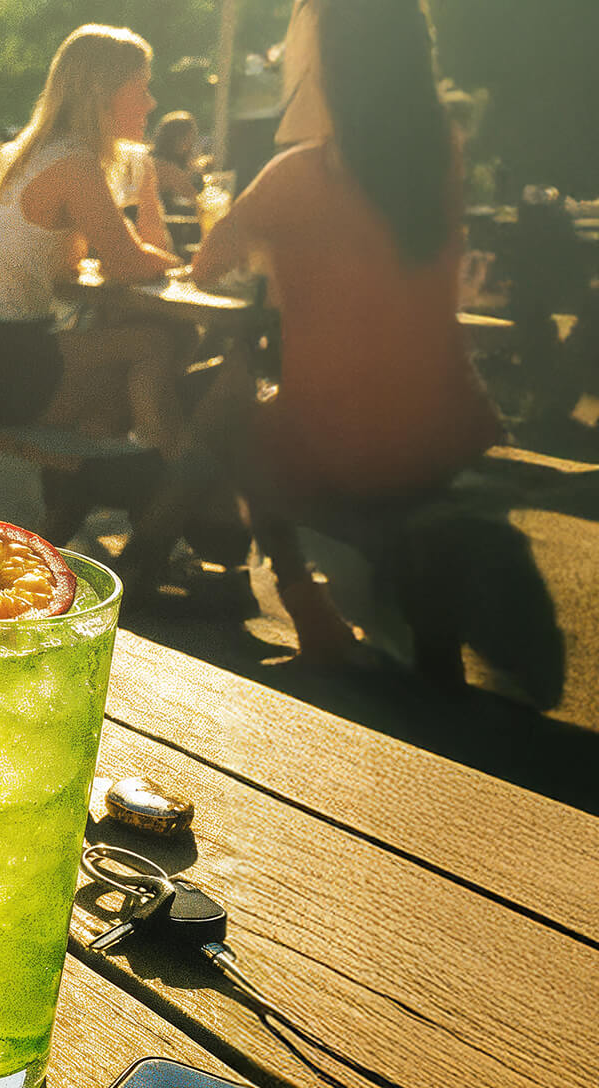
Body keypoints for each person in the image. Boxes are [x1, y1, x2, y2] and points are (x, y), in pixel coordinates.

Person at [188, 0, 501, 662]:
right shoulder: (443, 156)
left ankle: (307, 608)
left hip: (345, 445)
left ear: (330, 67)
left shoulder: (296, 176)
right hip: (448, 431)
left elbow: (206, 265)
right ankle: (424, 637)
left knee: (227, 413)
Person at [0, 27, 196, 563]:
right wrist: (187, 266)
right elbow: (130, 263)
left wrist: (144, 179)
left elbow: (113, 258)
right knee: (155, 344)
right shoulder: (74, 161)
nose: (151, 102)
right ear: (102, 91)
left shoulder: (43, 152)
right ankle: (173, 493)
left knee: (131, 366)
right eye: (140, 87)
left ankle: (118, 502)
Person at [149, 111, 201, 211]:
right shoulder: (164, 167)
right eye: (187, 138)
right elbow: (192, 195)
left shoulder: (155, 159)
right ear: (174, 139)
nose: (190, 144)